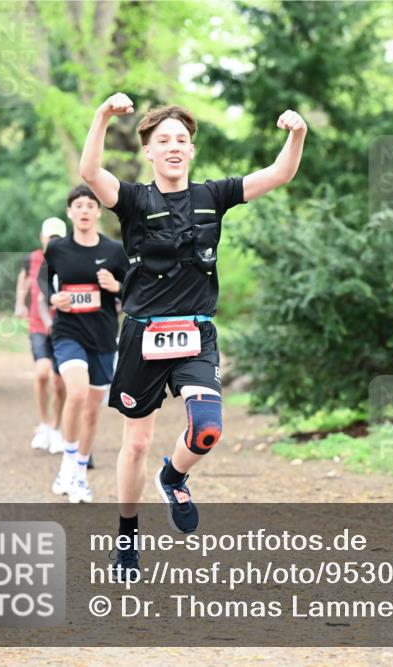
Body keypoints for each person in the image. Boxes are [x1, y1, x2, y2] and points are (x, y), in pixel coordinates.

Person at [79, 92, 305, 579]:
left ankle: (174, 475)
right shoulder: (136, 200)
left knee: (207, 429)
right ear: (150, 152)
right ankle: (127, 541)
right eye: (164, 140)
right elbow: (91, 175)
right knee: (135, 444)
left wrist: (298, 134)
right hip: (143, 335)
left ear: (191, 149)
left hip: (196, 332)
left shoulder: (213, 195)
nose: (174, 146)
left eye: (182, 139)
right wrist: (101, 117)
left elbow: (280, 173)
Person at [39, 185, 129, 503]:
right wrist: (54, 297)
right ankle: (67, 463)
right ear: (70, 212)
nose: (85, 210)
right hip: (68, 333)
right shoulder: (57, 250)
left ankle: (79, 471)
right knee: (76, 393)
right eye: (79, 205)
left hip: (103, 338)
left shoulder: (116, 251)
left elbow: (132, 292)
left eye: (91, 205)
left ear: (98, 212)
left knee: (92, 411)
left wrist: (116, 285)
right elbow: (43, 280)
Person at [14, 217, 68, 454]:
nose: (53, 240)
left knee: (59, 382)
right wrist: (19, 304)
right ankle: (44, 425)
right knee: (42, 372)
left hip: (64, 326)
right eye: (49, 236)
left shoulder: (70, 257)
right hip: (37, 324)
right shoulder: (33, 258)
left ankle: (56, 428)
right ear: (42, 237)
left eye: (57, 236)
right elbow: (24, 280)